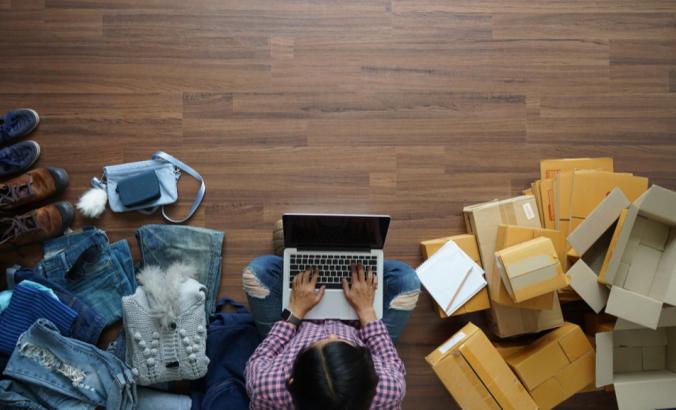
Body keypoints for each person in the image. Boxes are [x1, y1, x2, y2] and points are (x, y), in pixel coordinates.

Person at [242, 254, 420, 410]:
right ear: (373, 384)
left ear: (291, 382)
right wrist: (366, 310)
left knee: (259, 271)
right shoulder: (389, 390)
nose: (332, 335)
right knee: (406, 280)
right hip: (360, 321)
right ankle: (336, 255)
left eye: (313, 345)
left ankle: (301, 257)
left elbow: (261, 357)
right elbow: (388, 358)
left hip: (296, 323)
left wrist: (294, 311)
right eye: (345, 345)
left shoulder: (265, 388)